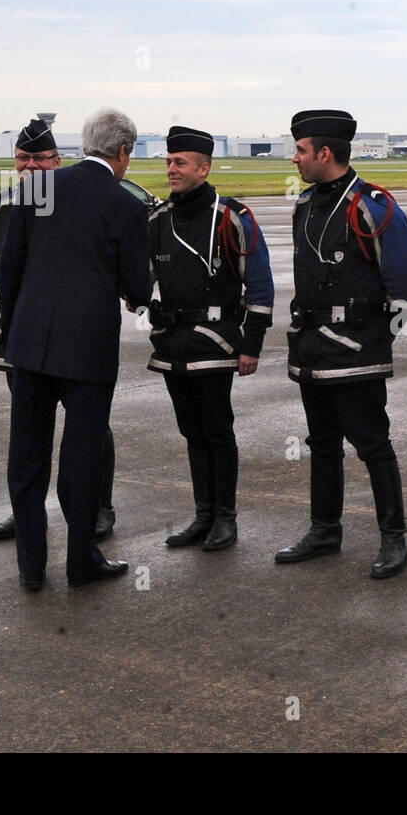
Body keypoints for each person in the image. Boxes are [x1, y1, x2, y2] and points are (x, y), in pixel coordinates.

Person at [0, 108, 152, 591]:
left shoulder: (36, 190)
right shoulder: (126, 203)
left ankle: (31, 564)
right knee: (81, 456)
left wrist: (20, 324)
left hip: (29, 343)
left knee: (27, 456)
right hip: (86, 349)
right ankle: (81, 560)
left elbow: (10, 270)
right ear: (123, 152)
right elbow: (138, 289)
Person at [276, 110, 407, 579]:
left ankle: (393, 538)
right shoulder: (305, 204)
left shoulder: (372, 205)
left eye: (300, 150)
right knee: (321, 443)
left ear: (324, 153)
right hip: (312, 350)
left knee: (372, 445)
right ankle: (325, 530)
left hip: (357, 353)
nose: (294, 158)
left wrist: (376, 339)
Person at [0, 121, 122, 545]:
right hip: (22, 338)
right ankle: (27, 515)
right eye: (23, 158)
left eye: (41, 159)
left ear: (58, 162)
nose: (31, 166)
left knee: (92, 429)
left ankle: (99, 507)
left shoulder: (80, 204)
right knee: (29, 434)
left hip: (76, 337)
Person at [148, 127, 273, 552]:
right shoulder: (158, 219)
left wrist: (250, 344)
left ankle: (225, 518)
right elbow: (137, 276)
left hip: (216, 343)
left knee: (217, 430)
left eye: (180, 163)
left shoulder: (232, 216)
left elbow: (260, 286)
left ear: (204, 168)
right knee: (191, 432)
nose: (171, 170)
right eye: (168, 162)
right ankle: (203, 515)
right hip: (171, 344)